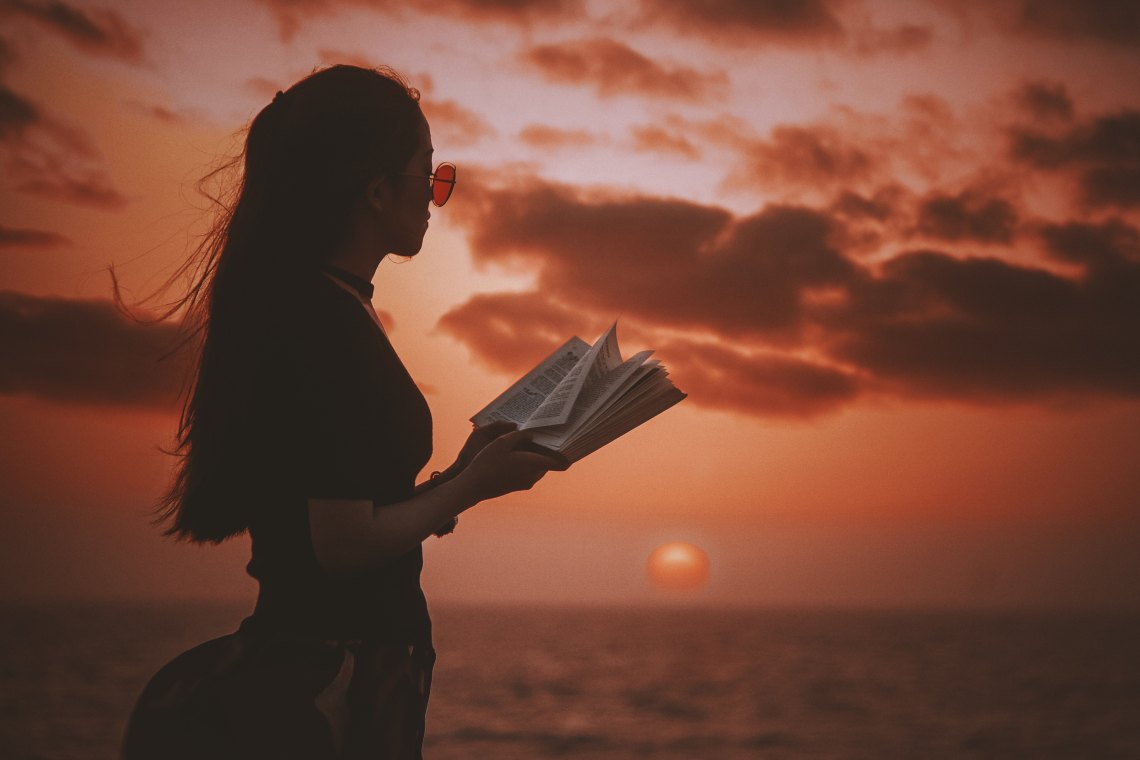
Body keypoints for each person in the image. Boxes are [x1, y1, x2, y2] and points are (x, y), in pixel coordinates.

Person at [121, 64, 564, 760]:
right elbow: (342, 545)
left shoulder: (324, 305)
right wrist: (473, 486)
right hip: (331, 681)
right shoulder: (322, 323)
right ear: (378, 189)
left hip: (334, 663)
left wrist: (456, 476)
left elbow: (347, 510)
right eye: (430, 175)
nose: (435, 197)